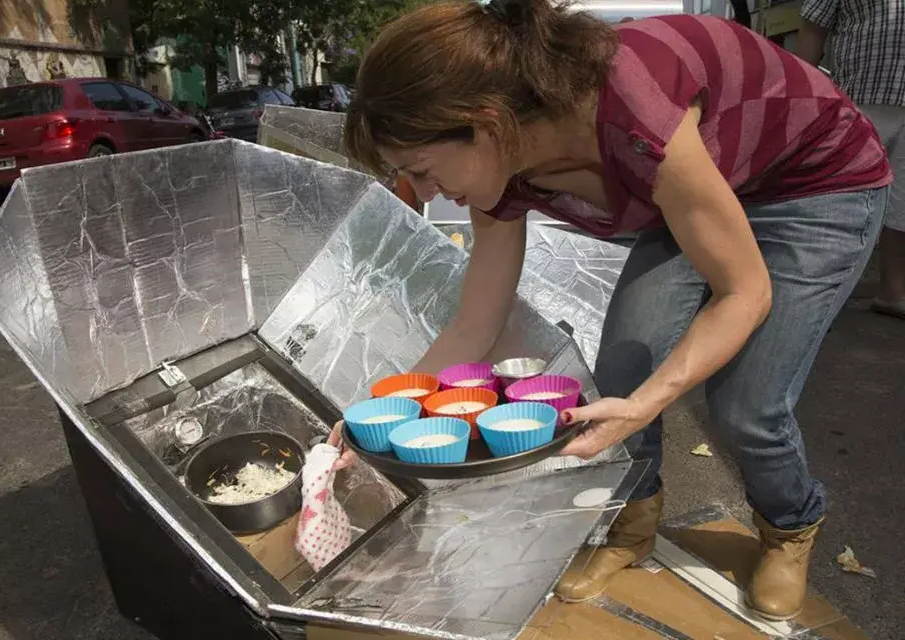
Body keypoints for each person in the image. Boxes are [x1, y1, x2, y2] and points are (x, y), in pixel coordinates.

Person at [333, 0, 891, 622]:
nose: (427, 194)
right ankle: (631, 530)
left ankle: (789, 525)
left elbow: (744, 293)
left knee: (746, 407)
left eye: (421, 171)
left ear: (483, 122)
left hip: (811, 185)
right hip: (701, 185)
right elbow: (475, 322)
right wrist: (375, 417)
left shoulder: (635, 113)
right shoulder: (502, 164)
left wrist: (652, 404)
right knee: (622, 373)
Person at [797, 0, 905, 320]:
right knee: (838, 199)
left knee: (902, 206)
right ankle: (814, 299)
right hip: (862, 97)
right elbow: (814, 25)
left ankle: (893, 291)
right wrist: (801, 93)